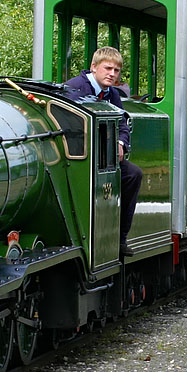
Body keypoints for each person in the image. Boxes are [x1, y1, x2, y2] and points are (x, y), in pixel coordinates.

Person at [64, 47, 143, 254]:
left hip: (104, 158)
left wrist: (120, 143)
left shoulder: (112, 94)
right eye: (108, 68)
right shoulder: (74, 89)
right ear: (93, 67)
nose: (112, 74)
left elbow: (123, 123)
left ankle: (120, 237)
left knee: (133, 174)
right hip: (79, 157)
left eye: (116, 70)